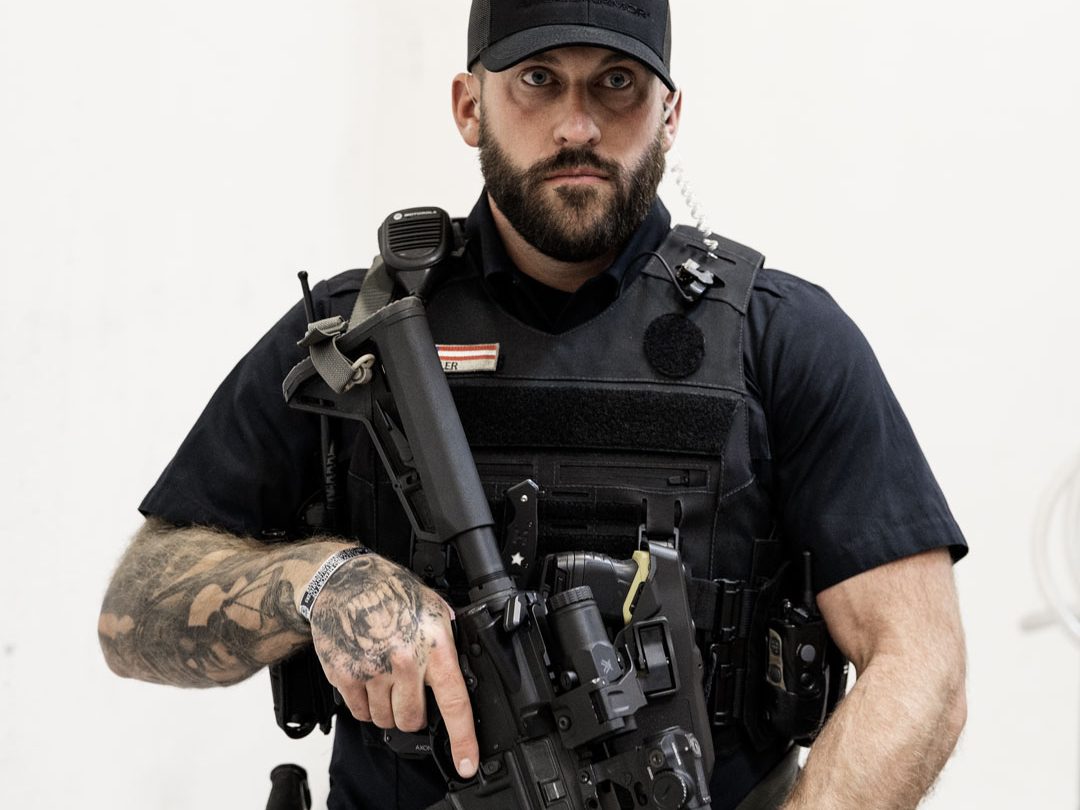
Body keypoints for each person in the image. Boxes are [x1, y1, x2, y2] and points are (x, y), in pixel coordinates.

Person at [98, 1, 969, 808]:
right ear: (469, 105)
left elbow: (921, 663)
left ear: (670, 114)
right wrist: (318, 584)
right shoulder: (352, 336)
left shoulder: (781, 338)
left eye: (616, 83)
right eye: (538, 79)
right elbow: (134, 613)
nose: (577, 125)